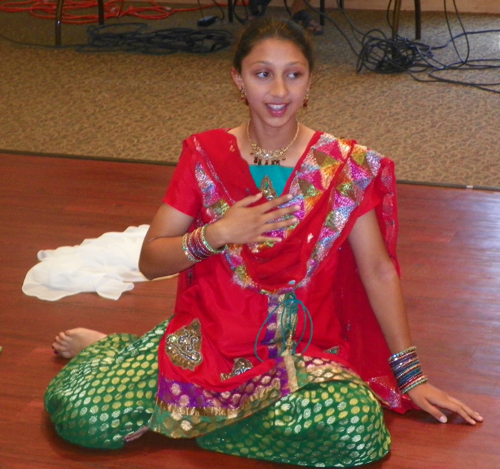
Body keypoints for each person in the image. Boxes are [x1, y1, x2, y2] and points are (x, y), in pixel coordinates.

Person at [46, 17, 482, 468]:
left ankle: (191, 415)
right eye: (262, 74)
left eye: (293, 74)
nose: (279, 91)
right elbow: (151, 261)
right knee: (83, 416)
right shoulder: (204, 156)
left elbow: (377, 270)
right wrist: (215, 235)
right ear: (238, 79)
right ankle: (119, 354)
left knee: (357, 434)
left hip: (303, 355)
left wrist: (411, 378)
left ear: (310, 79)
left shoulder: (344, 168)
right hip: (208, 347)